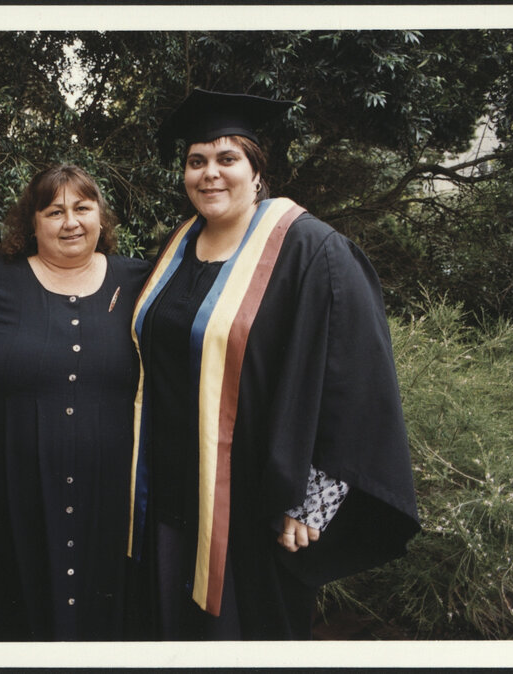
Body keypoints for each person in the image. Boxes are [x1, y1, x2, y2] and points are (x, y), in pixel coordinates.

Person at [126, 89, 420, 639]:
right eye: (196, 161)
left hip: (253, 510)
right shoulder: (178, 246)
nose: (210, 174)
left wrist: (314, 499)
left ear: (257, 170)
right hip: (168, 500)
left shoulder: (310, 249)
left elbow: (356, 380)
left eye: (227, 158)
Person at [0, 165, 151, 640]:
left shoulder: (140, 282)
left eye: (82, 208)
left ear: (101, 217)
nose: (70, 222)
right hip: (10, 502)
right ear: (32, 221)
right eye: (54, 211)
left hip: (110, 504)